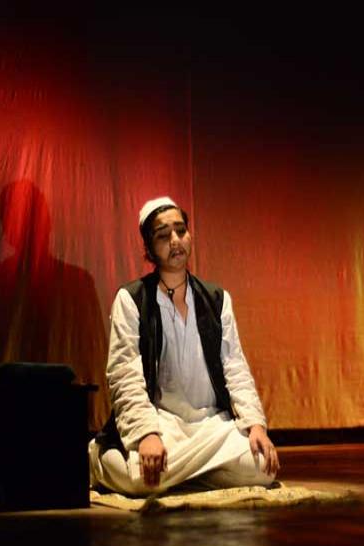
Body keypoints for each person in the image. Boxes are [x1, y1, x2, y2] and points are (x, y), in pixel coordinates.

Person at [89, 196, 279, 495]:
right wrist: (146, 434)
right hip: (161, 423)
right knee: (139, 479)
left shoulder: (217, 299)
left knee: (262, 468)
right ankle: (100, 458)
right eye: (163, 235)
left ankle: (177, 476)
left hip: (211, 426)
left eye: (181, 231)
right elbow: (124, 374)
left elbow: (235, 368)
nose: (175, 240)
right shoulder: (132, 299)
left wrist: (255, 425)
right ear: (149, 248)